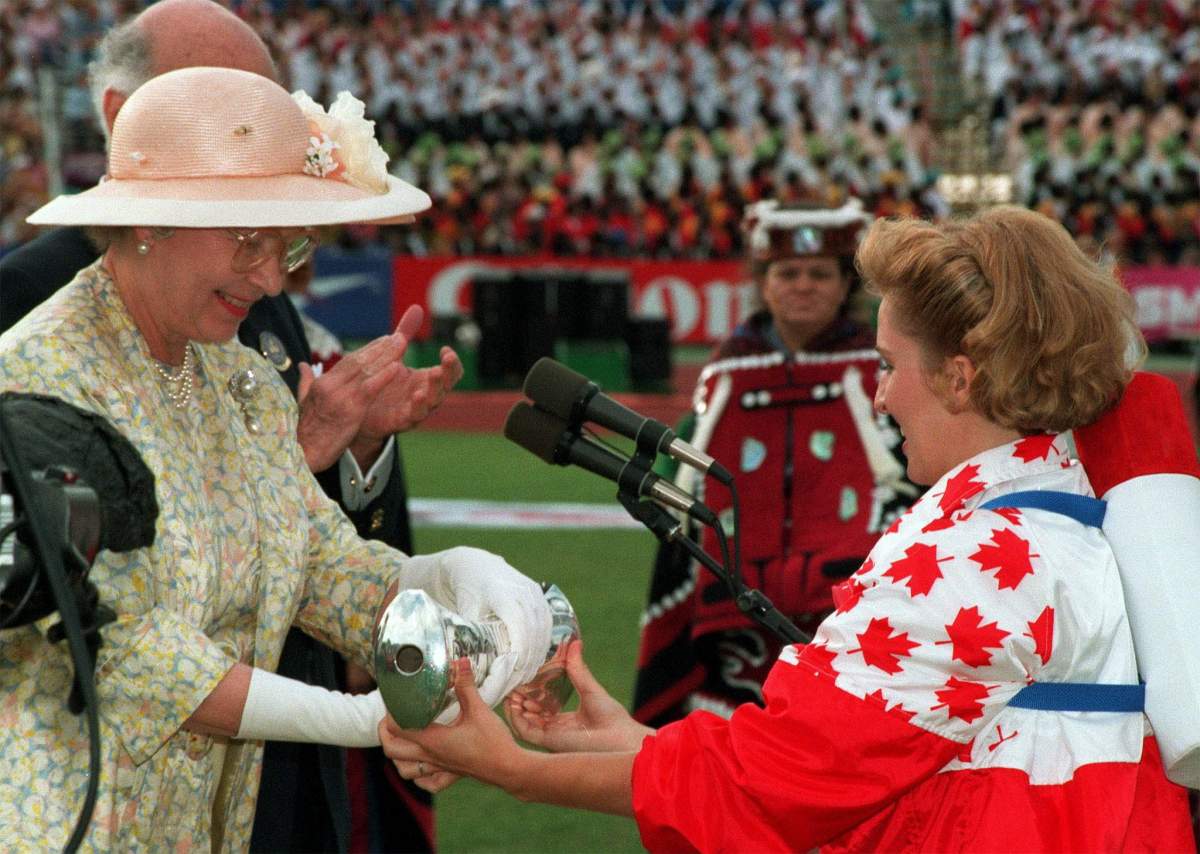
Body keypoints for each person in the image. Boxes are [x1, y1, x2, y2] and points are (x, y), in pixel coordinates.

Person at [382, 206, 1197, 851]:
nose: (878, 396)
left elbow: (770, 784)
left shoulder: (981, 559)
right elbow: (845, 751)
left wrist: (511, 768)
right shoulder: (1048, 515)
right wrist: (618, 742)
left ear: (960, 376)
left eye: (886, 366)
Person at [0, 66, 554, 852]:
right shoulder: (33, 379)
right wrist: (365, 720)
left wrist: (449, 581)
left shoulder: (240, 380)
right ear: (149, 222)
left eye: (285, 243)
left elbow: (320, 563)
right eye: (246, 240)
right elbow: (128, 652)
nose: (270, 278)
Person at [633, 197, 917, 726]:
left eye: (819, 273)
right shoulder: (726, 373)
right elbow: (685, 482)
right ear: (764, 281)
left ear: (845, 285)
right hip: (734, 620)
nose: (803, 285)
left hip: (847, 614)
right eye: (788, 272)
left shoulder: (882, 367)